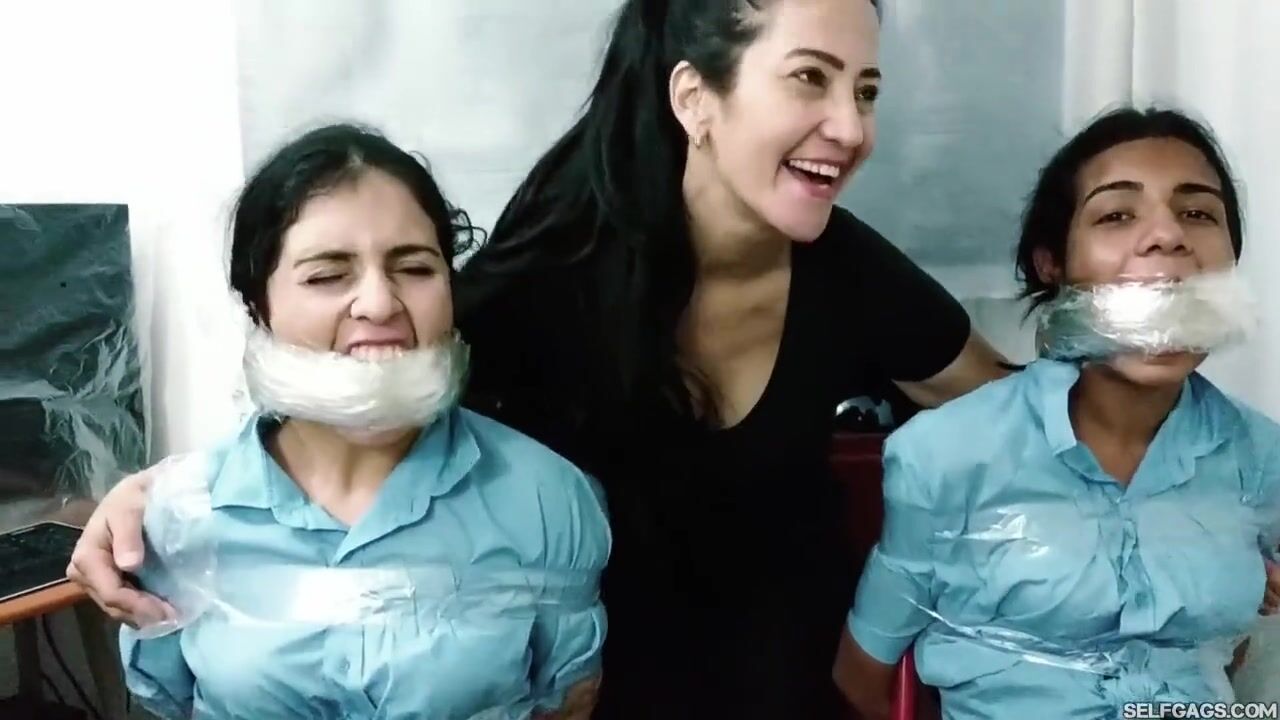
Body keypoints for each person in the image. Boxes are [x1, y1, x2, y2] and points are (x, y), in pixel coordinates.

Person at [70, 1, 1010, 716]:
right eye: (810, 79)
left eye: (867, 90)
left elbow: (1023, 415)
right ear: (695, 98)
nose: (852, 127)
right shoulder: (551, 273)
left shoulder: (848, 269)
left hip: (796, 688)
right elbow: (360, 399)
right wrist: (161, 499)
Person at [117, 124, 611, 720]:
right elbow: (170, 696)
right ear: (258, 304)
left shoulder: (546, 499)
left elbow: (566, 699)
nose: (378, 304)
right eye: (328, 275)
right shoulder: (180, 515)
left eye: (415, 269)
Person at [833, 107, 1280, 719]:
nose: (1167, 235)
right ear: (1053, 263)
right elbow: (863, 678)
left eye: (1198, 213)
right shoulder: (947, 456)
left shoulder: (1260, 457)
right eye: (1117, 214)